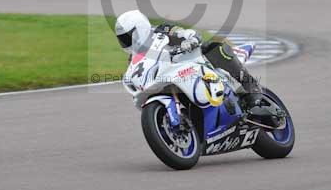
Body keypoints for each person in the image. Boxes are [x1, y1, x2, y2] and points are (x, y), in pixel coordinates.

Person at [114, 10, 272, 117]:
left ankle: (254, 94)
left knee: (216, 48)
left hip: (193, 62)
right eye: (122, 38)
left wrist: (189, 39)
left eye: (127, 37)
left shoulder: (162, 30)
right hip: (171, 78)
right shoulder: (135, 58)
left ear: (139, 28)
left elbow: (186, 33)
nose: (125, 42)